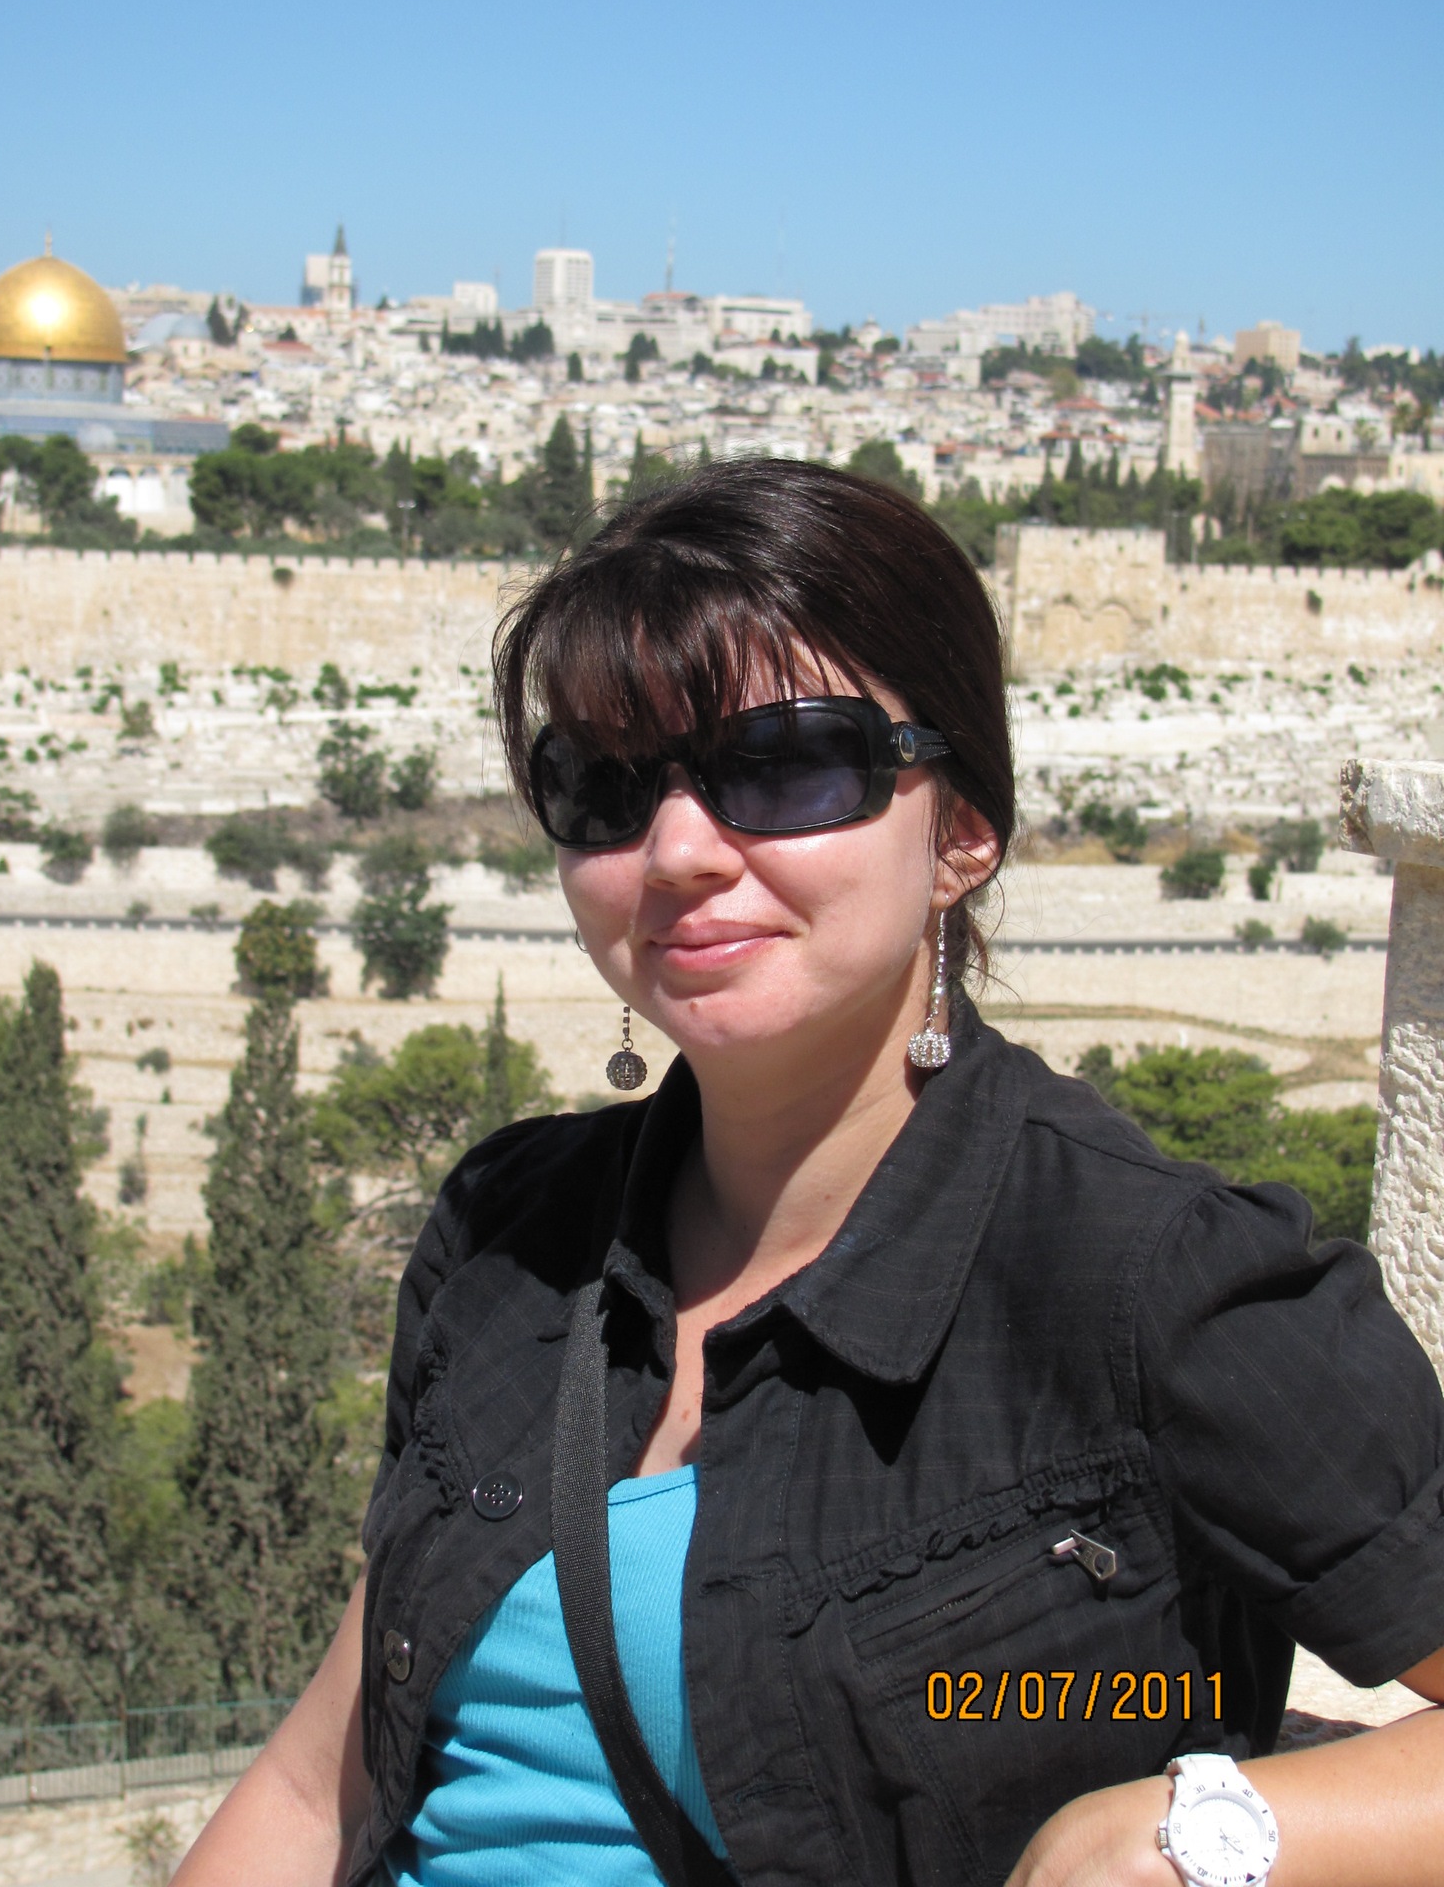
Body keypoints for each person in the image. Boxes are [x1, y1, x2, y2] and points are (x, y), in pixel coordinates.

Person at [176, 458, 1444, 1887]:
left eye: (784, 767)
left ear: (961, 830)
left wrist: (1180, 1838)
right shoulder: (510, 1231)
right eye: (606, 784)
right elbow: (312, 1793)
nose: (677, 852)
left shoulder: (1157, 1282)